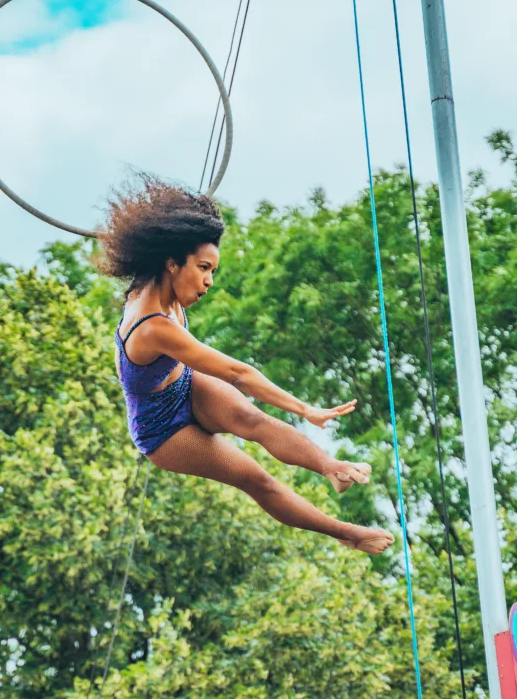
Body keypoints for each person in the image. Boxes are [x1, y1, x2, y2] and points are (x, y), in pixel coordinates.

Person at [97, 175, 394, 554]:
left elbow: (164, 230)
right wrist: (305, 409)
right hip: (161, 430)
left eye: (213, 271)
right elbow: (238, 373)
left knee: (254, 422)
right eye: (203, 268)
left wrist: (192, 214)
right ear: (172, 263)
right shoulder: (153, 326)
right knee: (257, 479)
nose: (208, 282)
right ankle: (346, 532)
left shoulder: (159, 277)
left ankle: (329, 466)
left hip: (184, 385)